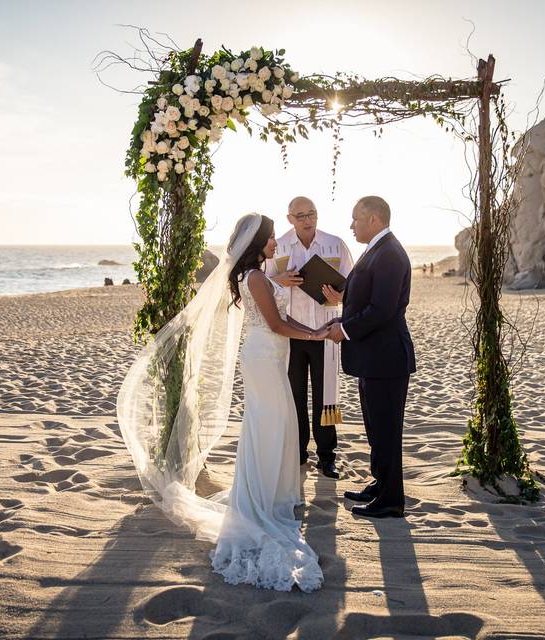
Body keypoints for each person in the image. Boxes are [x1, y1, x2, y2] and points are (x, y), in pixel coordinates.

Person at [116, 213, 326, 592]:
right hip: (265, 354)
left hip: (269, 354)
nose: (276, 242)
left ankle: (274, 492)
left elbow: (267, 301)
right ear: (259, 241)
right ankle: (265, 499)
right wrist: (318, 332)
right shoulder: (257, 277)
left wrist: (281, 288)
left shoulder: (253, 276)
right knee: (271, 422)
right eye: (272, 237)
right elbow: (277, 324)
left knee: (275, 421)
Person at [325, 196, 416, 519]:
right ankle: (381, 484)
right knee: (376, 428)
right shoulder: (377, 249)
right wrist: (342, 309)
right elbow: (367, 297)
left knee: (387, 430)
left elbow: (382, 309)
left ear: (374, 220)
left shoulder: (389, 253)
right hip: (373, 358)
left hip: (387, 358)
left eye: (356, 219)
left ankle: (392, 499)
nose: (352, 225)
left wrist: (345, 330)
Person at [266, 196, 354, 479]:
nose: (307, 220)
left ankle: (327, 456)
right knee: (294, 396)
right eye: (300, 216)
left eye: (312, 214)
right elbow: (260, 286)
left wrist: (342, 295)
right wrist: (280, 281)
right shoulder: (277, 247)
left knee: (325, 394)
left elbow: (353, 284)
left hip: (326, 332)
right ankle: (298, 452)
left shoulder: (336, 244)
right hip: (290, 333)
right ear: (289, 218)